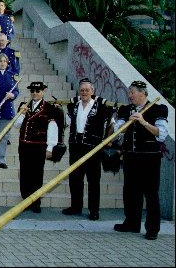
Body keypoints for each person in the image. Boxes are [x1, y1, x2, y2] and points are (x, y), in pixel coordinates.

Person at [113, 81, 169, 240]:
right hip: (131, 156)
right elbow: (117, 131)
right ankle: (131, 223)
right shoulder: (126, 110)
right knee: (130, 191)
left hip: (150, 158)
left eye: (132, 92)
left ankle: (152, 229)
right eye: (129, 92)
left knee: (151, 193)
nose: (129, 95)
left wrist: (143, 122)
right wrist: (125, 124)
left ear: (142, 93)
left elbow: (161, 134)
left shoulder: (158, 109)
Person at [62, 78, 115, 221]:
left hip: (93, 148)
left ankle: (94, 210)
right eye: (82, 90)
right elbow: (66, 122)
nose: (84, 92)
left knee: (93, 180)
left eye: (87, 90)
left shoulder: (102, 107)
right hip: (76, 146)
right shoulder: (74, 105)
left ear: (93, 91)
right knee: (75, 178)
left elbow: (112, 124)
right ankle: (75, 206)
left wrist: (107, 140)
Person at [14, 81, 59, 213]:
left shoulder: (49, 108)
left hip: (38, 146)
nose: (34, 93)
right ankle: (25, 200)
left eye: (37, 91)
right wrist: (22, 114)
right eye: (32, 91)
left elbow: (53, 128)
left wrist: (50, 147)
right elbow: (16, 125)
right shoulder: (24, 106)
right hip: (24, 145)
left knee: (37, 174)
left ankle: (35, 201)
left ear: (43, 92)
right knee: (24, 173)